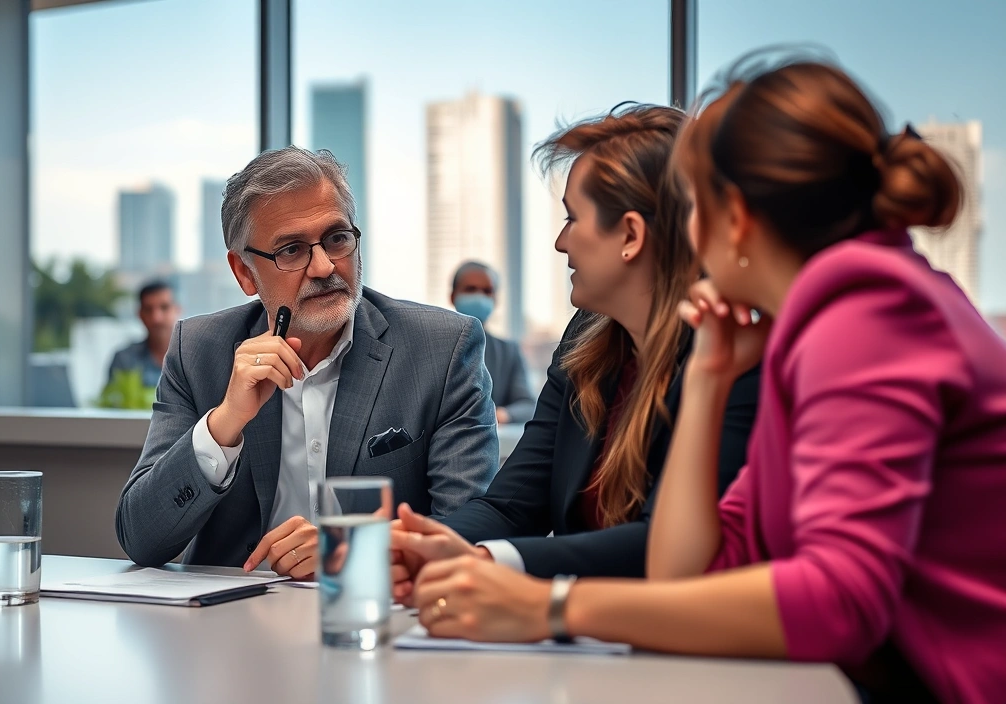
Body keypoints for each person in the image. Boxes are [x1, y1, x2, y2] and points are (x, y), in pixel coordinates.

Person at [407, 54, 1006, 704]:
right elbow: (684, 570)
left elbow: (840, 602)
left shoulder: (866, 310)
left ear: (737, 220)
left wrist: (552, 607)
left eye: (694, 206)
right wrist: (709, 380)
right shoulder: (796, 329)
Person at [390, 104, 759, 600]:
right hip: (583, 649)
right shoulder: (589, 338)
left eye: (572, 218)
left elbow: (667, 547)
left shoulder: (730, 353)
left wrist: (483, 561)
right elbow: (512, 504)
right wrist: (414, 544)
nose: (562, 243)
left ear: (631, 235)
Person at [115, 147, 498, 579]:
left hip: (372, 618)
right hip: (228, 628)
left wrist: (346, 551)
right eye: (292, 250)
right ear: (244, 272)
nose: (323, 266)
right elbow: (140, 538)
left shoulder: (442, 349)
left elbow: (469, 536)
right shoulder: (197, 350)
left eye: (337, 239)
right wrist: (224, 424)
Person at [450, 261, 535, 424]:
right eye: (470, 289)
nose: (479, 296)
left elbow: (527, 405)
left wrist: (500, 415)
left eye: (487, 291)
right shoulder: (433, 347)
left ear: (495, 299)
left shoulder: (508, 351)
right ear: (453, 296)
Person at [107, 281, 180, 389]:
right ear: (140, 314)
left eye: (164, 307)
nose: (156, 318)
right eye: (148, 309)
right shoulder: (124, 359)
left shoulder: (197, 359)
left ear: (177, 310)